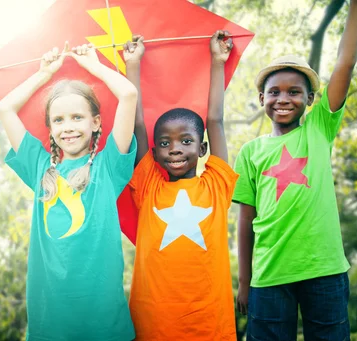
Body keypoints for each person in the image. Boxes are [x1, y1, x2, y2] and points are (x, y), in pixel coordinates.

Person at [233, 1, 357, 339]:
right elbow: (245, 220)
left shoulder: (319, 128)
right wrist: (244, 281)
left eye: (294, 92)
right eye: (274, 92)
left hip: (324, 271)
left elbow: (344, 65)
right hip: (269, 276)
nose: (283, 98)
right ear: (261, 99)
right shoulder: (250, 151)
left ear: (310, 99)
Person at [0, 42, 138, 340]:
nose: (68, 127)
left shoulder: (108, 167)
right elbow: (5, 108)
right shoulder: (39, 166)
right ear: (49, 128)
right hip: (51, 322)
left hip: (103, 321)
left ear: (96, 123)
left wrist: (93, 65)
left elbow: (128, 94)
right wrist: (45, 73)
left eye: (77, 117)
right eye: (58, 120)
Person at [126, 31, 238, 340]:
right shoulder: (149, 185)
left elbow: (214, 120)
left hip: (209, 319)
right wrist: (132, 64)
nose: (175, 148)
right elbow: (137, 124)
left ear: (202, 150)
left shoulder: (217, 184)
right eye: (165, 142)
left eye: (186, 141)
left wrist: (217, 61)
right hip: (154, 319)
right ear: (155, 152)